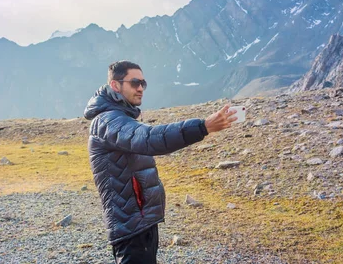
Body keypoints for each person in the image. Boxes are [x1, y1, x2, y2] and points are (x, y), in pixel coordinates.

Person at [84, 60, 237, 264]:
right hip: (131, 225)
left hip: (139, 221)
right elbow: (151, 139)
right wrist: (202, 127)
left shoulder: (119, 118)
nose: (140, 88)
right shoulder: (109, 121)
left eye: (143, 84)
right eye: (135, 82)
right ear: (115, 85)